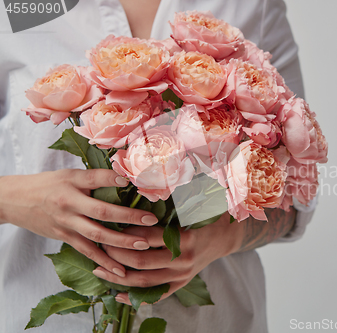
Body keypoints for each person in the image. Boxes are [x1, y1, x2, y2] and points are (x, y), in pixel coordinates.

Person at [0, 0, 316, 332]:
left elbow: (298, 190)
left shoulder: (249, 6)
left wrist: (223, 237)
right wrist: (13, 198)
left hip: (212, 321)